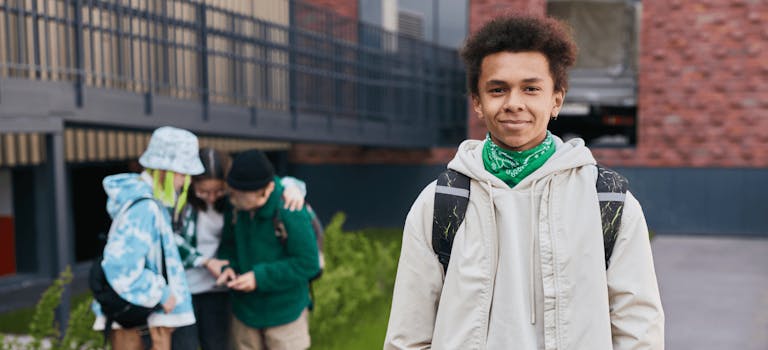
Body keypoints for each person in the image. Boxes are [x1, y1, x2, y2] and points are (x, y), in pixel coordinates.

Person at [384, 15, 664, 349]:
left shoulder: (608, 203)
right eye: (498, 89)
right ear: (477, 101)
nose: (514, 103)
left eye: (531, 89)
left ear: (556, 99)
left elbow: (639, 331)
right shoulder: (440, 203)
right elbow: (408, 335)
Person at [170, 148, 310, 350]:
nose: (211, 197)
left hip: (222, 289)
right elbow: (169, 239)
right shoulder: (180, 203)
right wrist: (206, 261)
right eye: (203, 192)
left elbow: (267, 183)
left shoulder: (237, 203)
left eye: (219, 191)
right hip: (186, 287)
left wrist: (294, 186)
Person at [92, 126, 201, 349]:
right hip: (150, 322)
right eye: (182, 173)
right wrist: (160, 292)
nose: (184, 181)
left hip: (154, 319)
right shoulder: (144, 207)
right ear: (164, 171)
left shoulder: (147, 202)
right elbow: (121, 265)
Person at [216, 149, 320, 350]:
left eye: (242, 196)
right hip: (245, 313)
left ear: (268, 189)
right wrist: (228, 266)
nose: (234, 199)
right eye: (234, 193)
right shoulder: (236, 205)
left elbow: (308, 264)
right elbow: (228, 246)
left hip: (285, 314)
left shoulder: (290, 209)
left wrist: (259, 277)